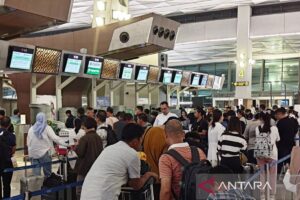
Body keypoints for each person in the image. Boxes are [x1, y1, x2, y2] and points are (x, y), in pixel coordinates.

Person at [80, 123, 159, 200]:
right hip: (103, 196)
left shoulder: (110, 148)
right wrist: (148, 174)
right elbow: (136, 185)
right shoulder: (132, 154)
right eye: (141, 138)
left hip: (85, 194)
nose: (142, 142)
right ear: (135, 141)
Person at [159, 119, 206, 200]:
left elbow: (166, 191)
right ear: (184, 134)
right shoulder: (199, 151)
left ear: (165, 136)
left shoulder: (166, 158)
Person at [27, 112, 68, 177]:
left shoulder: (31, 129)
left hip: (33, 154)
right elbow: (55, 138)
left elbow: (28, 142)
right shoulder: (47, 128)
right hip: (44, 153)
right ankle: (48, 185)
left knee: (36, 176)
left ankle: (38, 186)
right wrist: (66, 143)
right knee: (48, 174)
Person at [75, 117, 103, 199]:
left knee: (79, 190)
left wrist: (77, 146)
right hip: (96, 167)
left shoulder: (84, 138)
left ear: (86, 126)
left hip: (84, 168)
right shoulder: (98, 137)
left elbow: (80, 153)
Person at [255, 113, 280, 200]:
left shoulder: (257, 128)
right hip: (272, 154)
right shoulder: (274, 128)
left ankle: (262, 195)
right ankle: (272, 196)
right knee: (273, 175)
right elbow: (278, 139)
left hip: (260, 154)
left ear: (261, 119)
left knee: (262, 175)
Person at [275, 107, 298, 174]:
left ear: (280, 114)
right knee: (290, 161)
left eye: (276, 115)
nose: (276, 116)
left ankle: (277, 176)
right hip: (291, 144)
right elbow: (295, 131)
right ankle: (290, 176)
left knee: (279, 162)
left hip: (282, 145)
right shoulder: (293, 120)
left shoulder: (280, 123)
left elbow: (278, 135)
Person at [0, 117, 16, 198]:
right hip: (7, 163)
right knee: (6, 185)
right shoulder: (12, 136)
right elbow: (13, 150)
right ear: (9, 125)